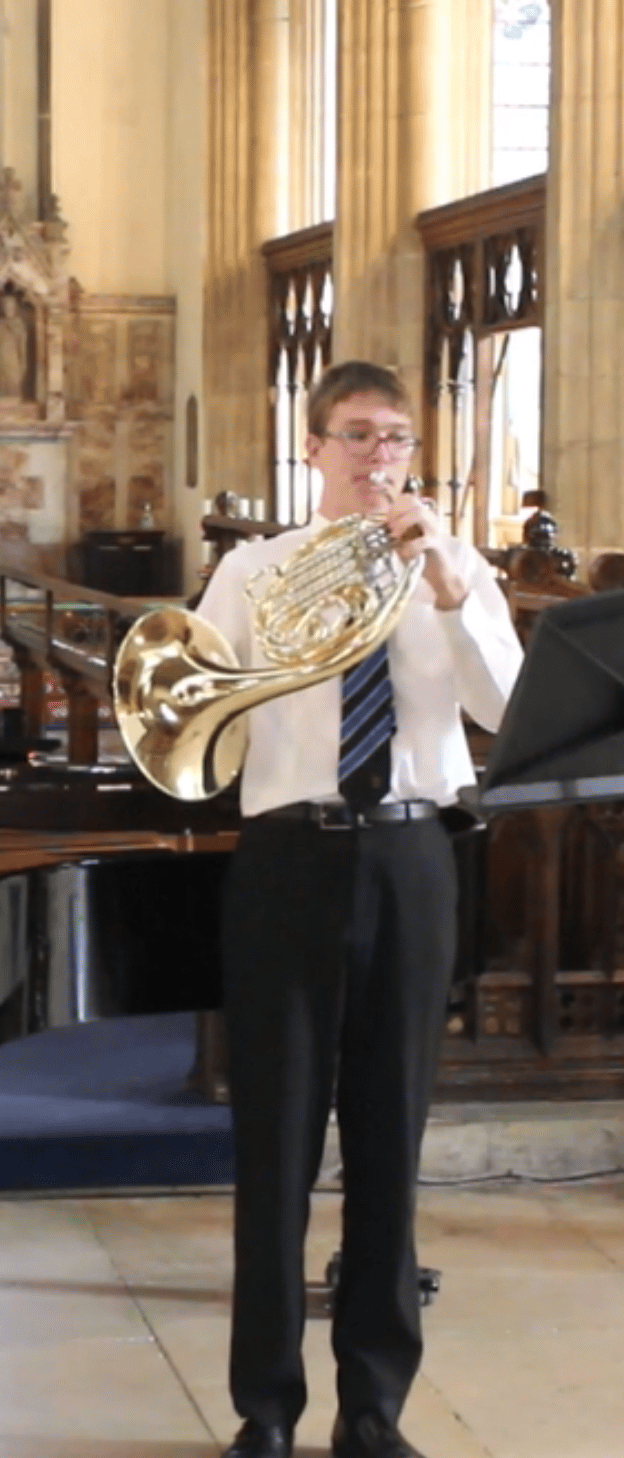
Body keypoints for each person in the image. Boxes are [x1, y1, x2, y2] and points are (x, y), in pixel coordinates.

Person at [196, 362, 523, 1458]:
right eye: (355, 437)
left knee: (390, 1142)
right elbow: (198, 720)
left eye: (394, 439)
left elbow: (506, 710)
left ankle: (372, 1411)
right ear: (313, 448)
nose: (378, 457)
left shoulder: (458, 568)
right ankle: (265, 1412)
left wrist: (440, 581)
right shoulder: (254, 570)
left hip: (411, 855)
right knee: (274, 1146)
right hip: (288, 857)